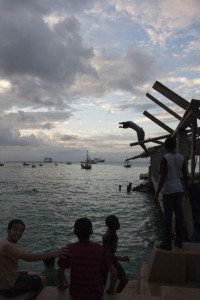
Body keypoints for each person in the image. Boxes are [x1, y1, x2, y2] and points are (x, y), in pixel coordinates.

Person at [0, 219, 68, 297]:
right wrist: (54, 254)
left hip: (8, 279)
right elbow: (29, 257)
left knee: (38, 273)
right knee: (43, 280)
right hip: (9, 287)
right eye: (15, 229)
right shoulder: (8, 246)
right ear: (8, 231)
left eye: (21, 230)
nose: (18, 232)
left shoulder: (3, 242)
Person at [57, 217, 117, 300]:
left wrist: (61, 285)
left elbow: (60, 271)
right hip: (96, 295)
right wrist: (111, 290)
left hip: (76, 294)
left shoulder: (69, 249)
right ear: (91, 232)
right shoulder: (100, 249)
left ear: (75, 232)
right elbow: (114, 273)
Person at [154, 136, 189, 250]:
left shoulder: (165, 158)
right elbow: (185, 174)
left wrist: (157, 192)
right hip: (179, 189)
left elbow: (163, 177)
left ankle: (167, 243)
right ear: (175, 145)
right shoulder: (181, 157)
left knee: (168, 218)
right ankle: (179, 241)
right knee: (179, 216)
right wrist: (187, 188)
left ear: (165, 147)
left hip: (168, 191)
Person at [102, 215, 129, 294]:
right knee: (124, 279)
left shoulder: (112, 234)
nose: (119, 224)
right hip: (106, 261)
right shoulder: (109, 236)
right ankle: (112, 293)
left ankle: (113, 293)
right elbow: (108, 254)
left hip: (110, 260)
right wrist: (122, 259)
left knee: (123, 279)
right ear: (114, 225)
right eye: (118, 222)